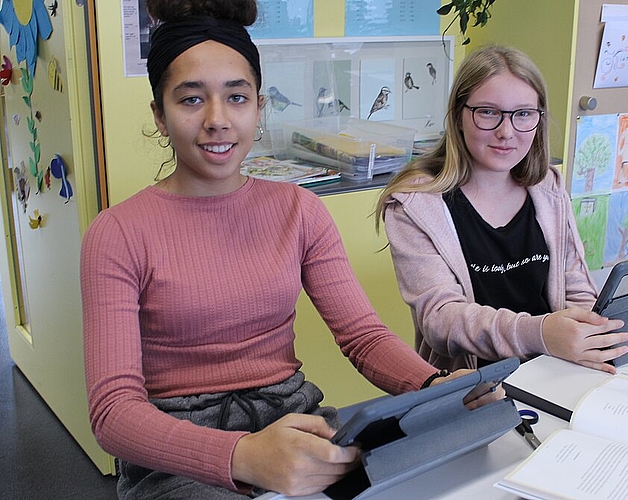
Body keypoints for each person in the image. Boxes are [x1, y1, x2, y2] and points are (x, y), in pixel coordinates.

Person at [80, 1, 500, 498]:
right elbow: (114, 411)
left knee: (437, 468)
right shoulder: (117, 233)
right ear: (159, 113)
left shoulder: (298, 210)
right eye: (191, 100)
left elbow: (362, 337)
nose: (217, 120)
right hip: (176, 452)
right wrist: (241, 455)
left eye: (237, 97)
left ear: (259, 105)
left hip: (290, 419)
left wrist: (435, 388)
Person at [375, 45, 628, 376]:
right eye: (488, 112)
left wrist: (592, 334)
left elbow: (577, 288)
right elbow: (441, 321)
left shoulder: (547, 187)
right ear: (458, 116)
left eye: (523, 114)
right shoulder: (415, 202)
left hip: (558, 369)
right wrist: (539, 333)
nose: (506, 131)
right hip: (474, 386)